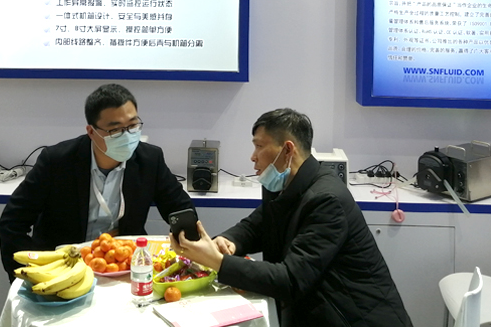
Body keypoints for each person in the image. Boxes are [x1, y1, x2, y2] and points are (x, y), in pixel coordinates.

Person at [171, 108, 412, 327]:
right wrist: (228, 241)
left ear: (287, 150)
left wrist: (218, 262)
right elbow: (257, 226)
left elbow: (291, 279)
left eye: (259, 146)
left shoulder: (326, 200)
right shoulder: (284, 184)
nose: (253, 157)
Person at [0, 83, 194, 277]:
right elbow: (12, 223)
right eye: (115, 130)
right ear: (91, 132)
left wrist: (188, 250)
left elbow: (180, 209)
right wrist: (29, 274)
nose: (127, 135)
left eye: (133, 125)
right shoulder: (56, 161)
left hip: (123, 264)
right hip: (64, 266)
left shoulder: (150, 159)